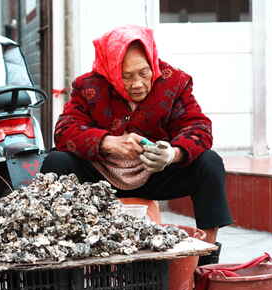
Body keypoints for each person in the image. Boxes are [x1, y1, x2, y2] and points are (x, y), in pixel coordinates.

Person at [41, 25, 233, 265]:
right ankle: (57, 254)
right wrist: (106, 142)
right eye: (127, 76)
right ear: (111, 72)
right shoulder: (89, 87)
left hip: (154, 176)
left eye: (144, 73)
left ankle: (206, 255)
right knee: (55, 161)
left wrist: (173, 154)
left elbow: (198, 127)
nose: (138, 84)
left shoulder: (174, 82)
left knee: (209, 162)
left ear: (153, 63)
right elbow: (64, 130)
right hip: (101, 180)